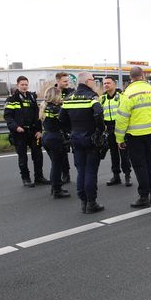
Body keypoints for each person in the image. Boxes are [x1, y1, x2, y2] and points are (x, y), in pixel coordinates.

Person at [115, 66, 151, 208]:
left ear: (130, 77)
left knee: (139, 166)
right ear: (142, 75)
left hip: (135, 135)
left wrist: (119, 139)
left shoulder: (128, 94)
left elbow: (122, 119)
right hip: (150, 134)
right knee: (150, 164)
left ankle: (144, 196)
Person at [59, 72, 105, 213]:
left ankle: (83, 202)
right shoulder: (92, 97)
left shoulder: (68, 98)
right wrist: (99, 131)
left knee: (81, 171)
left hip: (76, 139)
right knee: (90, 171)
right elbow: (99, 116)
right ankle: (91, 203)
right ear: (87, 81)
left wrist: (71, 131)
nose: (94, 83)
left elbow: (62, 119)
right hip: (91, 139)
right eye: (93, 80)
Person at [4, 76, 49, 187]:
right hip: (19, 133)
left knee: (38, 155)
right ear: (17, 85)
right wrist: (16, 127)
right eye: (22, 85)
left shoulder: (32, 97)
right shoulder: (12, 99)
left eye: (26, 84)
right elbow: (8, 116)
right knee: (22, 156)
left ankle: (39, 177)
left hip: (33, 132)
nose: (24, 86)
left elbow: (37, 115)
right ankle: (26, 178)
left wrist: (39, 130)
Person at [100, 76, 132, 187]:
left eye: (108, 83)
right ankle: (116, 176)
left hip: (120, 128)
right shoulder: (102, 98)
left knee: (124, 153)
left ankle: (127, 175)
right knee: (113, 153)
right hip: (108, 129)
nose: (106, 85)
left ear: (114, 84)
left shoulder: (121, 97)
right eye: (104, 83)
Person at [39, 87, 70, 198]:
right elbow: (65, 122)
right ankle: (57, 190)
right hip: (55, 137)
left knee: (54, 164)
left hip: (46, 136)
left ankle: (55, 188)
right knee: (57, 165)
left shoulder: (45, 106)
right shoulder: (57, 109)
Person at [54, 72, 73, 184]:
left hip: (70, 126)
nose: (67, 83)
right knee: (61, 152)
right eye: (65, 81)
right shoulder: (52, 92)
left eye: (68, 81)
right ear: (58, 81)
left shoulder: (71, 92)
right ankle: (65, 173)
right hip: (57, 126)